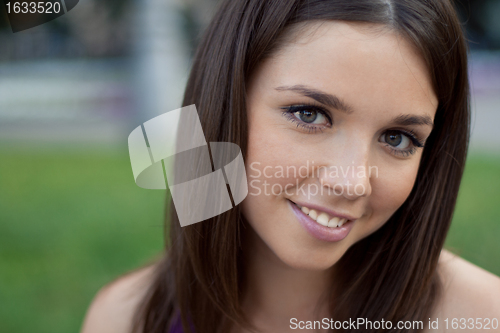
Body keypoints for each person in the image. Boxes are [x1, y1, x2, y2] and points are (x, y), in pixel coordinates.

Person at [81, 0, 500, 332]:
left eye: (398, 138)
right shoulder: (126, 318)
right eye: (309, 114)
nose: (351, 181)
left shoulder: (483, 319)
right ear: (224, 103)